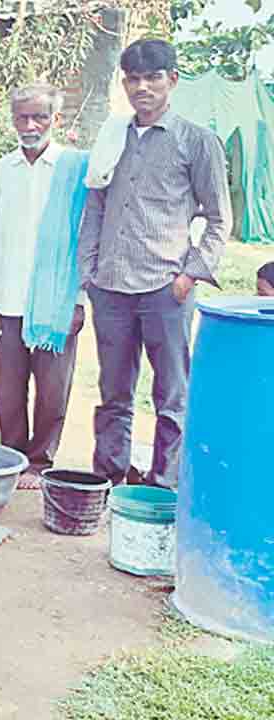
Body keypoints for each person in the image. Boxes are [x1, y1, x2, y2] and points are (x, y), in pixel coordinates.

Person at [78, 39, 231, 489]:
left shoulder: (196, 141)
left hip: (166, 288)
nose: (142, 87)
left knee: (170, 394)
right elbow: (95, 208)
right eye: (133, 79)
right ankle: (108, 478)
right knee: (113, 393)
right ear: (123, 83)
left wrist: (189, 276)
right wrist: (90, 271)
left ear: (172, 80)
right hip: (110, 286)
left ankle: (164, 486)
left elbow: (220, 218)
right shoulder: (112, 136)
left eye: (152, 77)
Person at [0, 84, 90, 489]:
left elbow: (84, 238)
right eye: (22, 117)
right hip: (8, 299)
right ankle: (11, 457)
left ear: (55, 120)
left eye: (39, 117)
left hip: (57, 302)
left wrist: (78, 299)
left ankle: (40, 460)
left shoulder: (75, 169)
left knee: (52, 390)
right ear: (12, 120)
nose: (30, 125)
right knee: (9, 390)